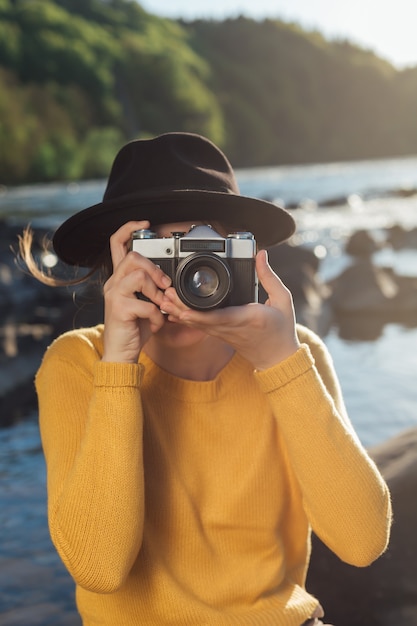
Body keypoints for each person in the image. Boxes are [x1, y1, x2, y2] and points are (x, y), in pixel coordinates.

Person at [21, 132, 391, 626]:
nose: (186, 277)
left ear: (243, 255)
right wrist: (119, 368)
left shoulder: (289, 353)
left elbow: (362, 542)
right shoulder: (80, 364)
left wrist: (280, 364)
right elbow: (99, 568)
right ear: (117, 264)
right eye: (160, 254)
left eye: (203, 249)